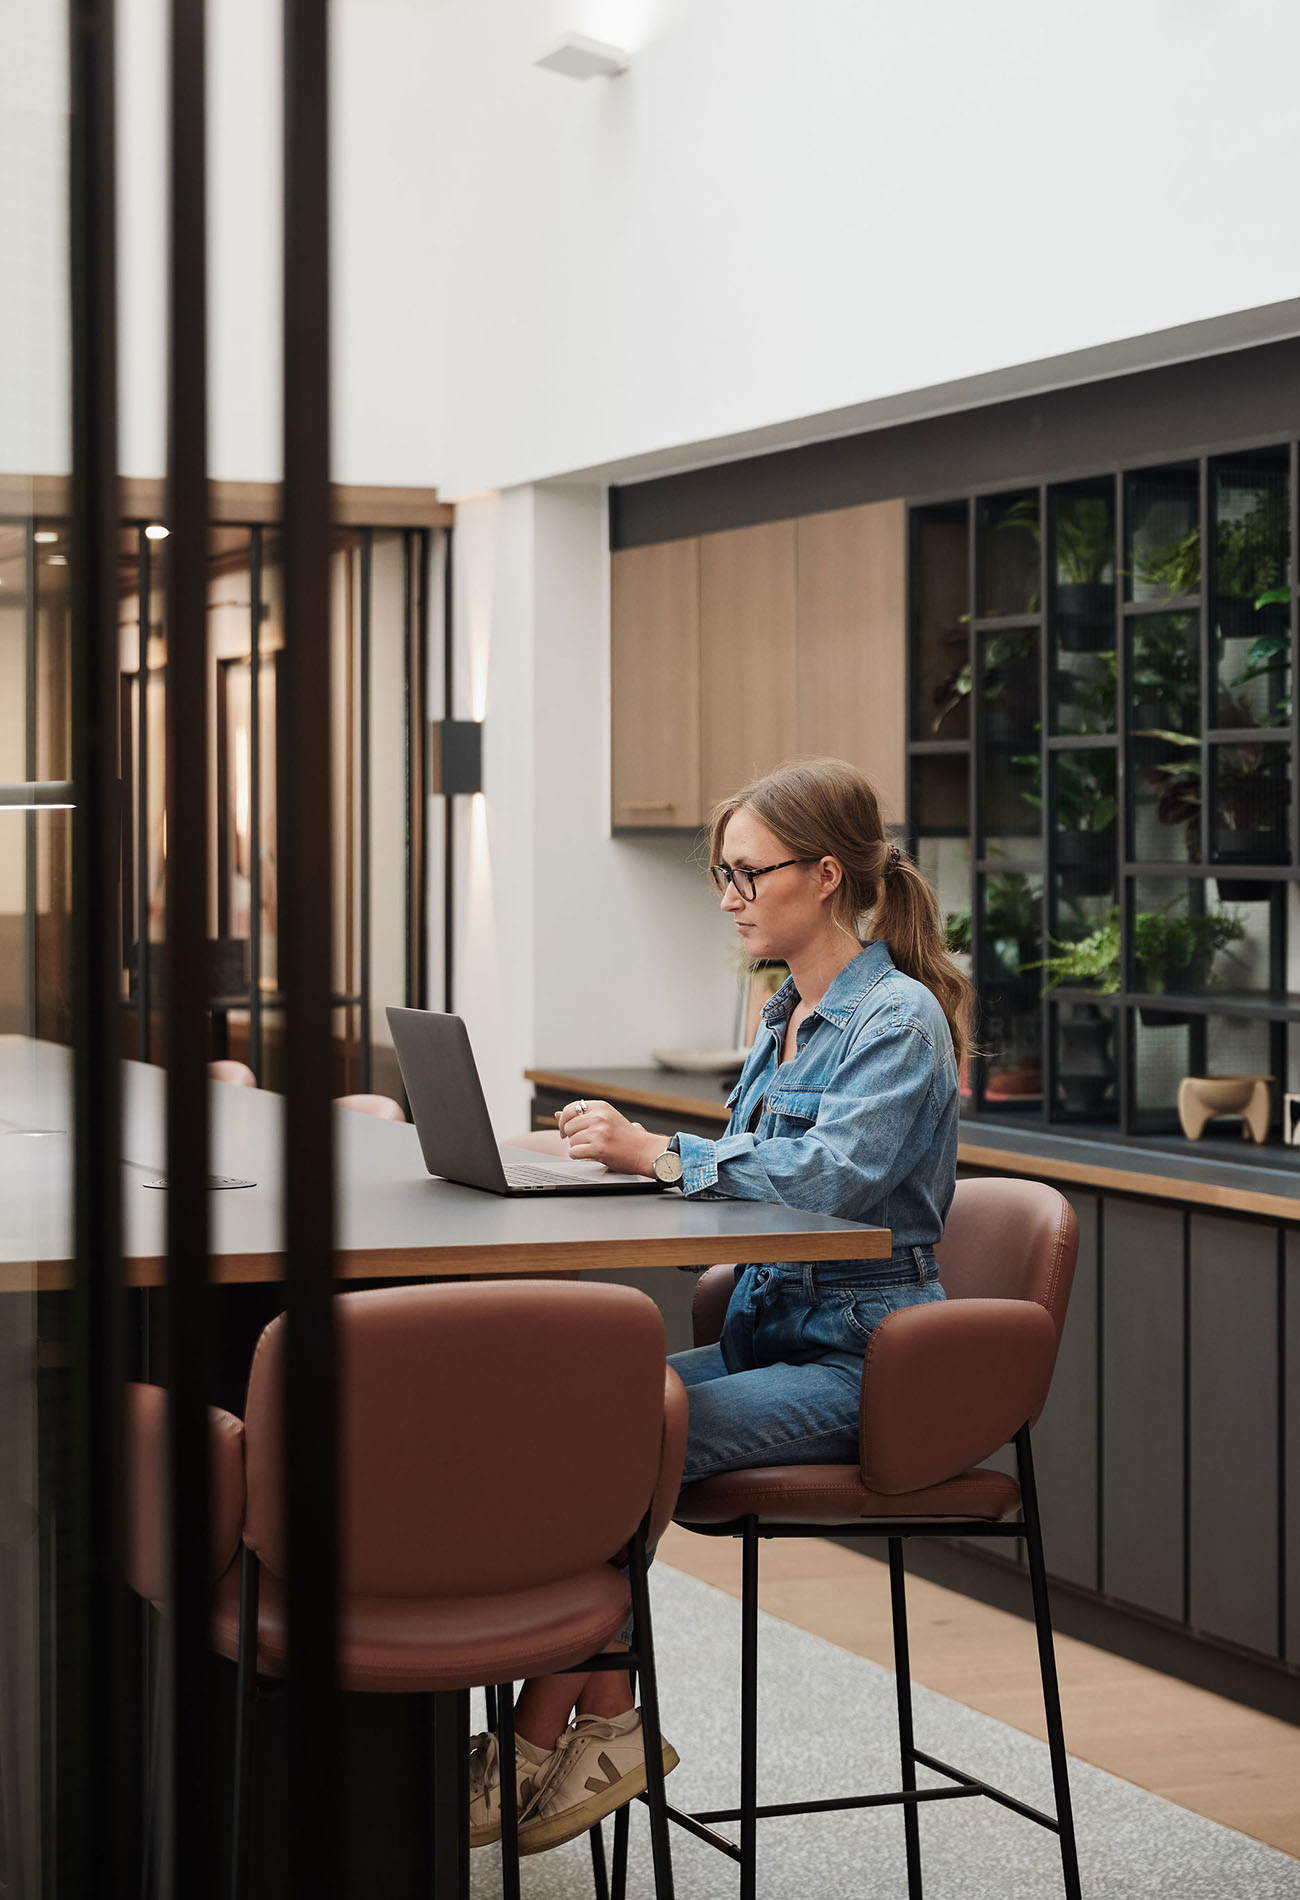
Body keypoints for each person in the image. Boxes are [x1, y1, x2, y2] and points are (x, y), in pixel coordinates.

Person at [469, 755, 972, 1856]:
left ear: (825, 875)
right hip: (762, 1336)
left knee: (633, 1424)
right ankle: (601, 1712)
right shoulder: (786, 1009)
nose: (730, 897)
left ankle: (554, 1715)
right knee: (578, 1417)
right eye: (722, 876)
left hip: (859, 1362)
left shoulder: (897, 1022)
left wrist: (662, 1154)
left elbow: (827, 1179)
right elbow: (746, 1177)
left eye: (747, 873)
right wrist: (615, 1163)